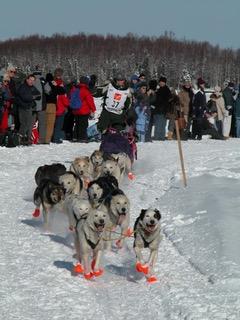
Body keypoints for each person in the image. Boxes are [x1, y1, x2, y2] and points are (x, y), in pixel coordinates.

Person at [15, 74, 41, 145]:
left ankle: (24, 139)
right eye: (30, 80)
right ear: (27, 79)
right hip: (23, 107)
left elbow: (39, 95)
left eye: (33, 80)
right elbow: (25, 98)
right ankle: (19, 138)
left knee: (29, 124)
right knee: (24, 124)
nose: (31, 82)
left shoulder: (32, 87)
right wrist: (33, 97)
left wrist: (32, 96)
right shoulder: (23, 87)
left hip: (29, 107)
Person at [71, 76, 96, 142]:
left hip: (75, 110)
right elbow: (90, 101)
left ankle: (75, 137)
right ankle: (82, 138)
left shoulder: (75, 89)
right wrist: (93, 109)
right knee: (83, 124)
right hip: (83, 110)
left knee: (77, 124)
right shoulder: (85, 90)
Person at [152, 76, 171, 140]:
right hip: (158, 110)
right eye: (160, 82)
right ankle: (158, 137)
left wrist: (163, 107)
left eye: (163, 82)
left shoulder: (167, 90)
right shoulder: (159, 90)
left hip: (163, 110)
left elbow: (166, 101)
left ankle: (160, 137)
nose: (161, 83)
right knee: (159, 124)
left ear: (165, 83)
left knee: (161, 124)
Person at [32, 66, 47, 144]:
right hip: (42, 105)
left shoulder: (30, 80)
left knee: (31, 123)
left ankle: (31, 138)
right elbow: (48, 90)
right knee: (42, 123)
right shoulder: (43, 80)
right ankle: (42, 139)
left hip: (32, 105)